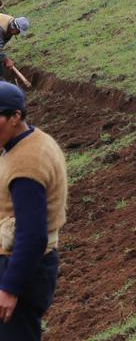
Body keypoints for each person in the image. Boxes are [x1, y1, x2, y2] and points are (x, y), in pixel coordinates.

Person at [0, 82, 69, 340]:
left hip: (19, 270)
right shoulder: (34, 140)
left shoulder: (26, 165)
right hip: (25, 265)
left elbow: (32, 235)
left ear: (15, 117)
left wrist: (9, 288)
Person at [0, 16, 30, 84]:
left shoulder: (10, 25)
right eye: (18, 31)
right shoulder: (1, 30)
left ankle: (2, 82)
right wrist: (6, 59)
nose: (18, 34)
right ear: (14, 28)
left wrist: (3, 58)